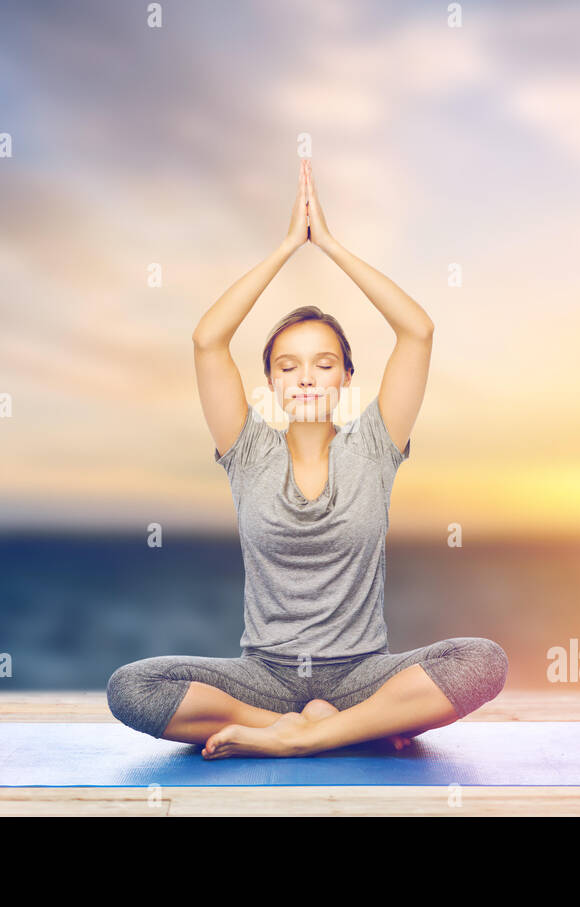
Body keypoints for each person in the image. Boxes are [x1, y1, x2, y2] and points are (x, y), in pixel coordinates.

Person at [107, 158, 507, 758]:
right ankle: (327, 727)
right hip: (263, 678)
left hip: (360, 675)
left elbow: (417, 331)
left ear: (347, 377)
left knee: (483, 662)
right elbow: (207, 340)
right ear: (269, 381)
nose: (306, 378)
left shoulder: (374, 445)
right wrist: (289, 247)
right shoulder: (247, 449)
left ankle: (311, 735)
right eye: (287, 366)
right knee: (131, 688)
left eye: (324, 364)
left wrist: (333, 247)